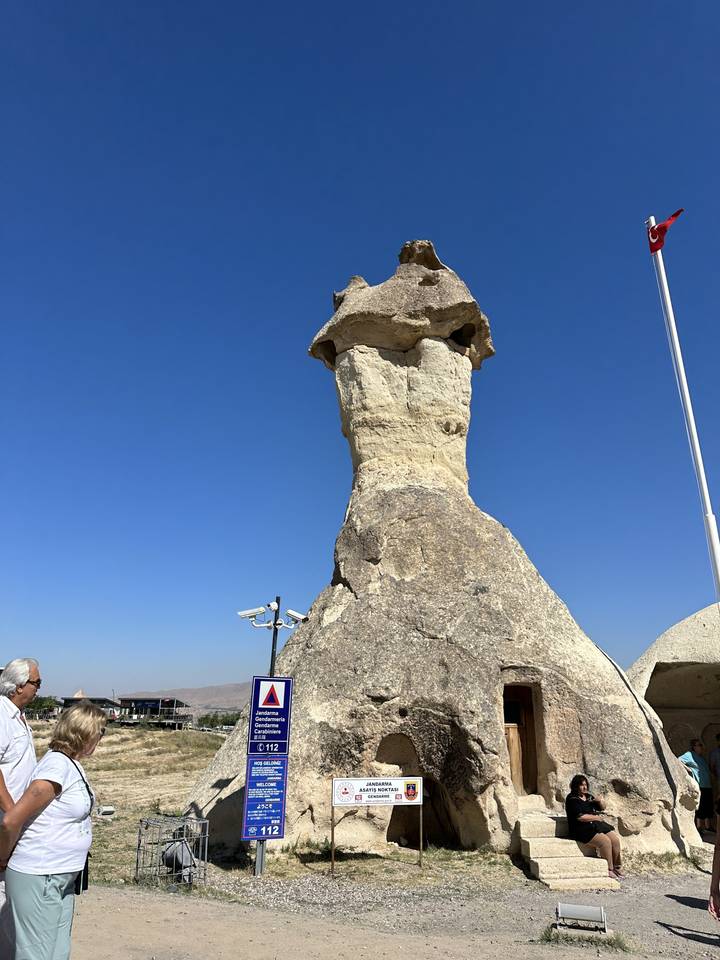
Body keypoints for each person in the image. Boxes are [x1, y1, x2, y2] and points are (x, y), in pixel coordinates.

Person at [0, 700, 106, 960]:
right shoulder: (56, 766)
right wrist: (2, 857)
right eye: (100, 731)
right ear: (84, 732)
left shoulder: (70, 764)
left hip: (60, 876)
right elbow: (11, 820)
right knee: (36, 955)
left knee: (57, 953)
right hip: (40, 875)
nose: (101, 738)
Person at [0, 658, 41, 954]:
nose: (39, 689)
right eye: (37, 683)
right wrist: (14, 813)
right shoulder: (2, 716)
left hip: (13, 819)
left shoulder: (18, 716)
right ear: (18, 686)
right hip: (6, 819)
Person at [565, 774, 623, 879]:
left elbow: (602, 808)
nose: (584, 787)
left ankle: (617, 866)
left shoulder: (588, 797)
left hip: (595, 825)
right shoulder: (572, 799)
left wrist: (600, 801)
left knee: (615, 840)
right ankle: (609, 869)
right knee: (605, 841)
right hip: (581, 829)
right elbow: (580, 817)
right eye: (581, 785)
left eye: (585, 785)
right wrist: (596, 818)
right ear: (576, 786)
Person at [678, 738, 713, 834]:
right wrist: (688, 769)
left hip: (707, 785)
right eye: (699, 745)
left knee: (707, 806)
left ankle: (708, 827)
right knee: (700, 807)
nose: (701, 747)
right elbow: (678, 760)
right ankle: (699, 827)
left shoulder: (701, 758)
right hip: (699, 785)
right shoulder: (689, 755)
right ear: (694, 747)